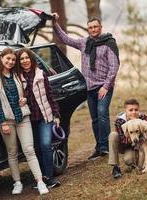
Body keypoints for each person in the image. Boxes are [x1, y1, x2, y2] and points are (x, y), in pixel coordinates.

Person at [52, 13, 120, 160]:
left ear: (100, 27)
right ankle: (99, 147)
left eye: (96, 26)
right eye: (90, 27)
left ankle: (106, 147)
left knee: (102, 114)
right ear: (88, 29)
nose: (93, 29)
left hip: (104, 87)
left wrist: (106, 87)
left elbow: (114, 67)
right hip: (89, 88)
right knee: (95, 118)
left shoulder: (109, 43)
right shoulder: (84, 43)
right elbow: (65, 39)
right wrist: (55, 23)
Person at [0, 48, 49, 195]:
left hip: (23, 117)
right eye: (8, 59)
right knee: (12, 152)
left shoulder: (17, 74)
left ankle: (40, 182)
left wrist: (25, 98)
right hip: (6, 121)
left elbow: (27, 90)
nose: (10, 62)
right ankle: (17, 182)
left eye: (13, 60)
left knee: (29, 150)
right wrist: (2, 122)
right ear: (1, 58)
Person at [15, 48, 61, 188]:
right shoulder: (17, 77)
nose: (25, 61)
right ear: (19, 61)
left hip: (44, 116)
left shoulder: (41, 74)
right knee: (35, 149)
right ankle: (39, 179)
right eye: (22, 59)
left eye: (27, 58)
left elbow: (50, 95)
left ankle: (49, 177)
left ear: (31, 58)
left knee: (46, 145)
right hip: (28, 119)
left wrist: (56, 114)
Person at [108, 98, 147, 179]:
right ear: (125, 110)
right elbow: (123, 140)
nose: (134, 112)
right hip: (126, 145)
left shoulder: (142, 117)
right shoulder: (120, 121)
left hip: (140, 144)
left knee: (129, 160)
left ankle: (138, 162)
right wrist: (133, 139)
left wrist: (146, 136)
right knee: (113, 135)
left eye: (136, 109)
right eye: (130, 110)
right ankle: (115, 167)